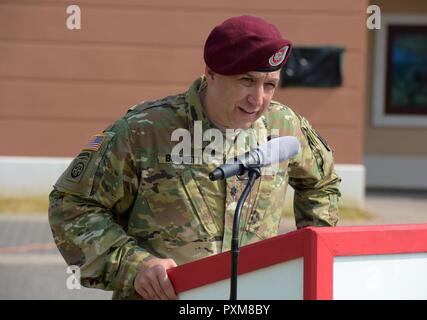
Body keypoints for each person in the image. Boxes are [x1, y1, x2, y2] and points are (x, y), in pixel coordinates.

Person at [48, 15, 341, 300]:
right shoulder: (145, 131)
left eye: (269, 84)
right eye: (246, 81)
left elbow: (322, 184)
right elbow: (71, 206)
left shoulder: (284, 126)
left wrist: (311, 253)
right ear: (211, 73)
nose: (258, 99)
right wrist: (134, 265)